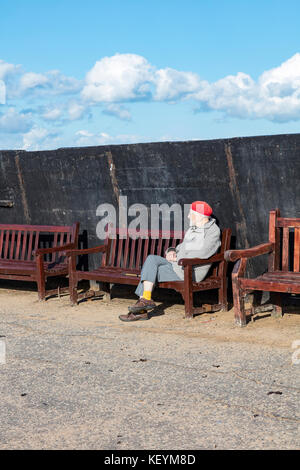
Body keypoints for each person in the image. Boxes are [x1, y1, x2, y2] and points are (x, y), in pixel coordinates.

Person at [119, 201, 221, 322]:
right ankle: (145, 300)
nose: (188, 216)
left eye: (191, 214)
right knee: (151, 260)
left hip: (188, 271)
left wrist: (178, 258)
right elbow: (182, 247)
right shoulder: (194, 229)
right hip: (177, 266)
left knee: (148, 272)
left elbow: (204, 252)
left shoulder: (213, 231)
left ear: (200, 216)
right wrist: (171, 251)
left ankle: (142, 310)